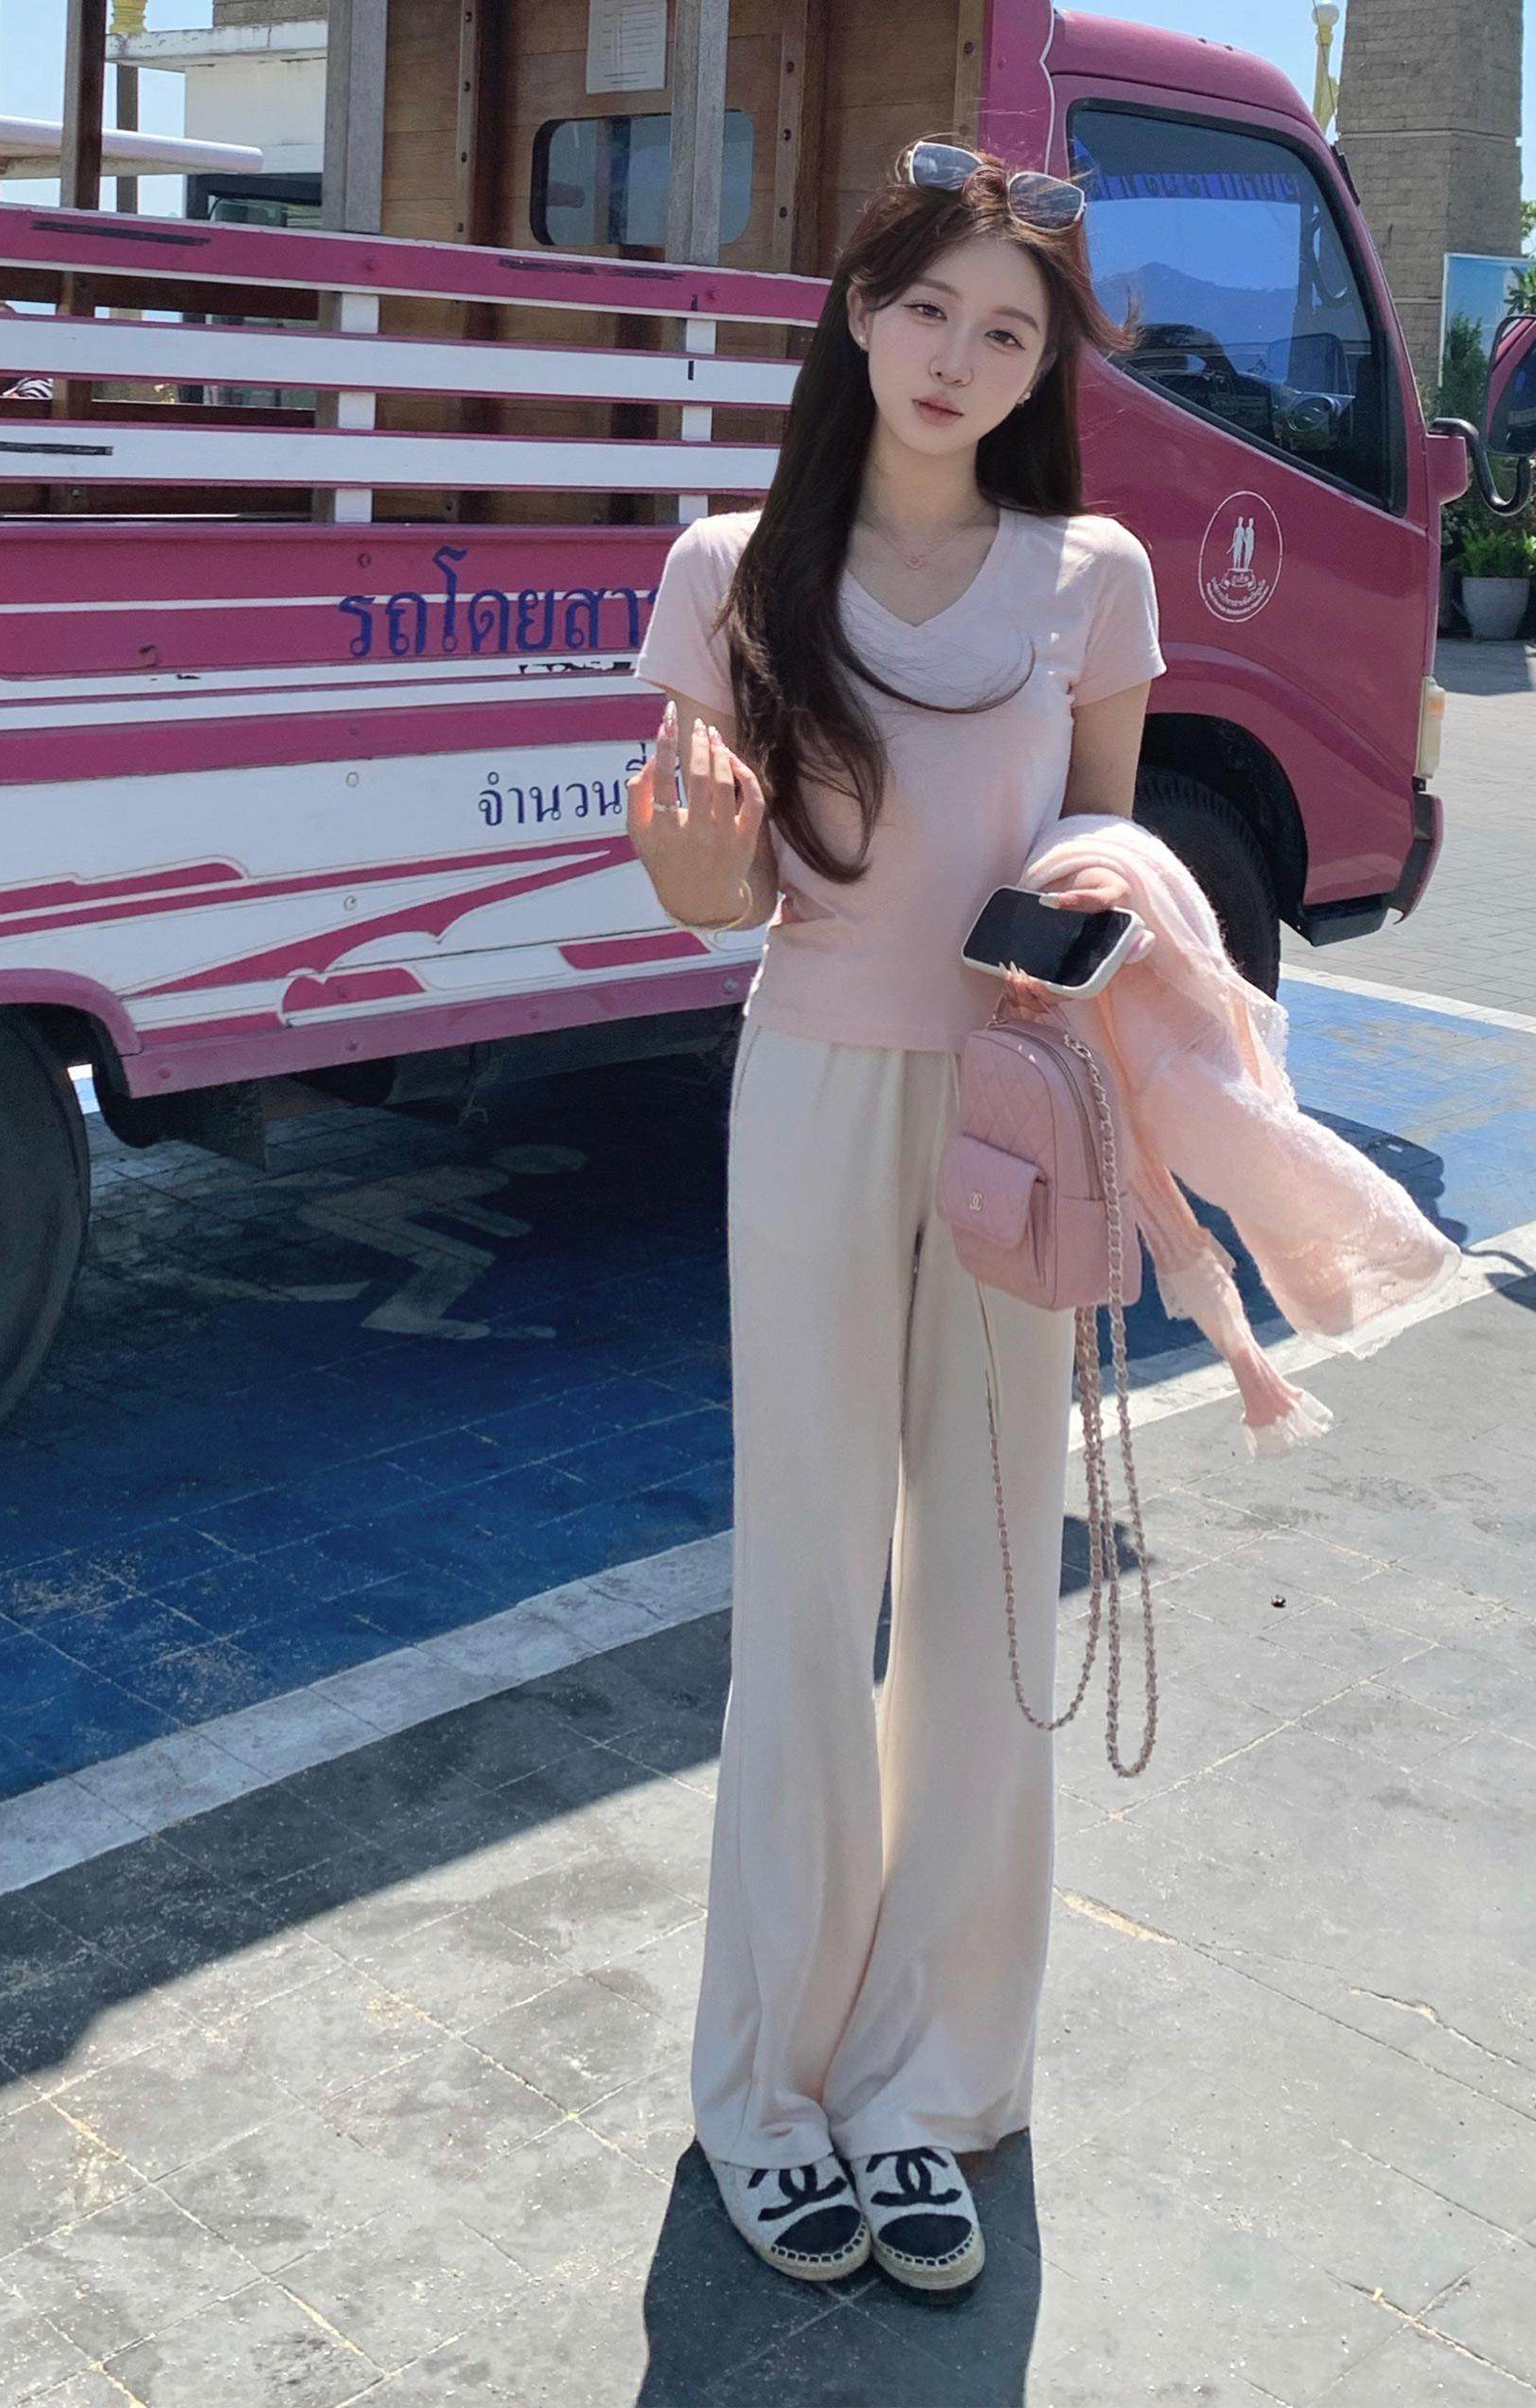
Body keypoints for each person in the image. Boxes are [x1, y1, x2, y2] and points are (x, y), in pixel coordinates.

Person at [627, 141, 1163, 2300]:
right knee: (805, 1583)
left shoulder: (1091, 575)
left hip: (1017, 1100)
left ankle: (935, 2089)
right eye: (926, 307)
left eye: (1004, 331)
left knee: (990, 1592)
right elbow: (711, 894)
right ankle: (770, 2086)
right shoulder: (731, 568)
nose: (956, 354)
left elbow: (1115, 849)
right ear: (858, 317)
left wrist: (1109, 957)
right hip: (815, 1085)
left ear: (1040, 373)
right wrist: (690, 848)